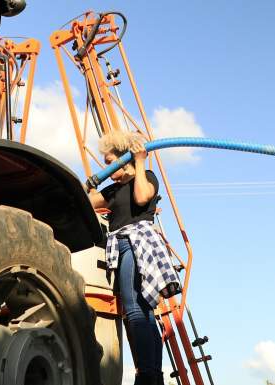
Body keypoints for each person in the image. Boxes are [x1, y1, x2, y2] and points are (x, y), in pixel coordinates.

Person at [88, 130, 180, 385]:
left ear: (123, 158)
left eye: (109, 162)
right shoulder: (113, 189)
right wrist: (88, 185)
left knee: (135, 310)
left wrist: (139, 162)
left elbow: (141, 197)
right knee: (144, 310)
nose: (106, 167)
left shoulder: (146, 177)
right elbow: (87, 202)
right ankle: (152, 375)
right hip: (121, 244)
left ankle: (146, 373)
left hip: (137, 242)